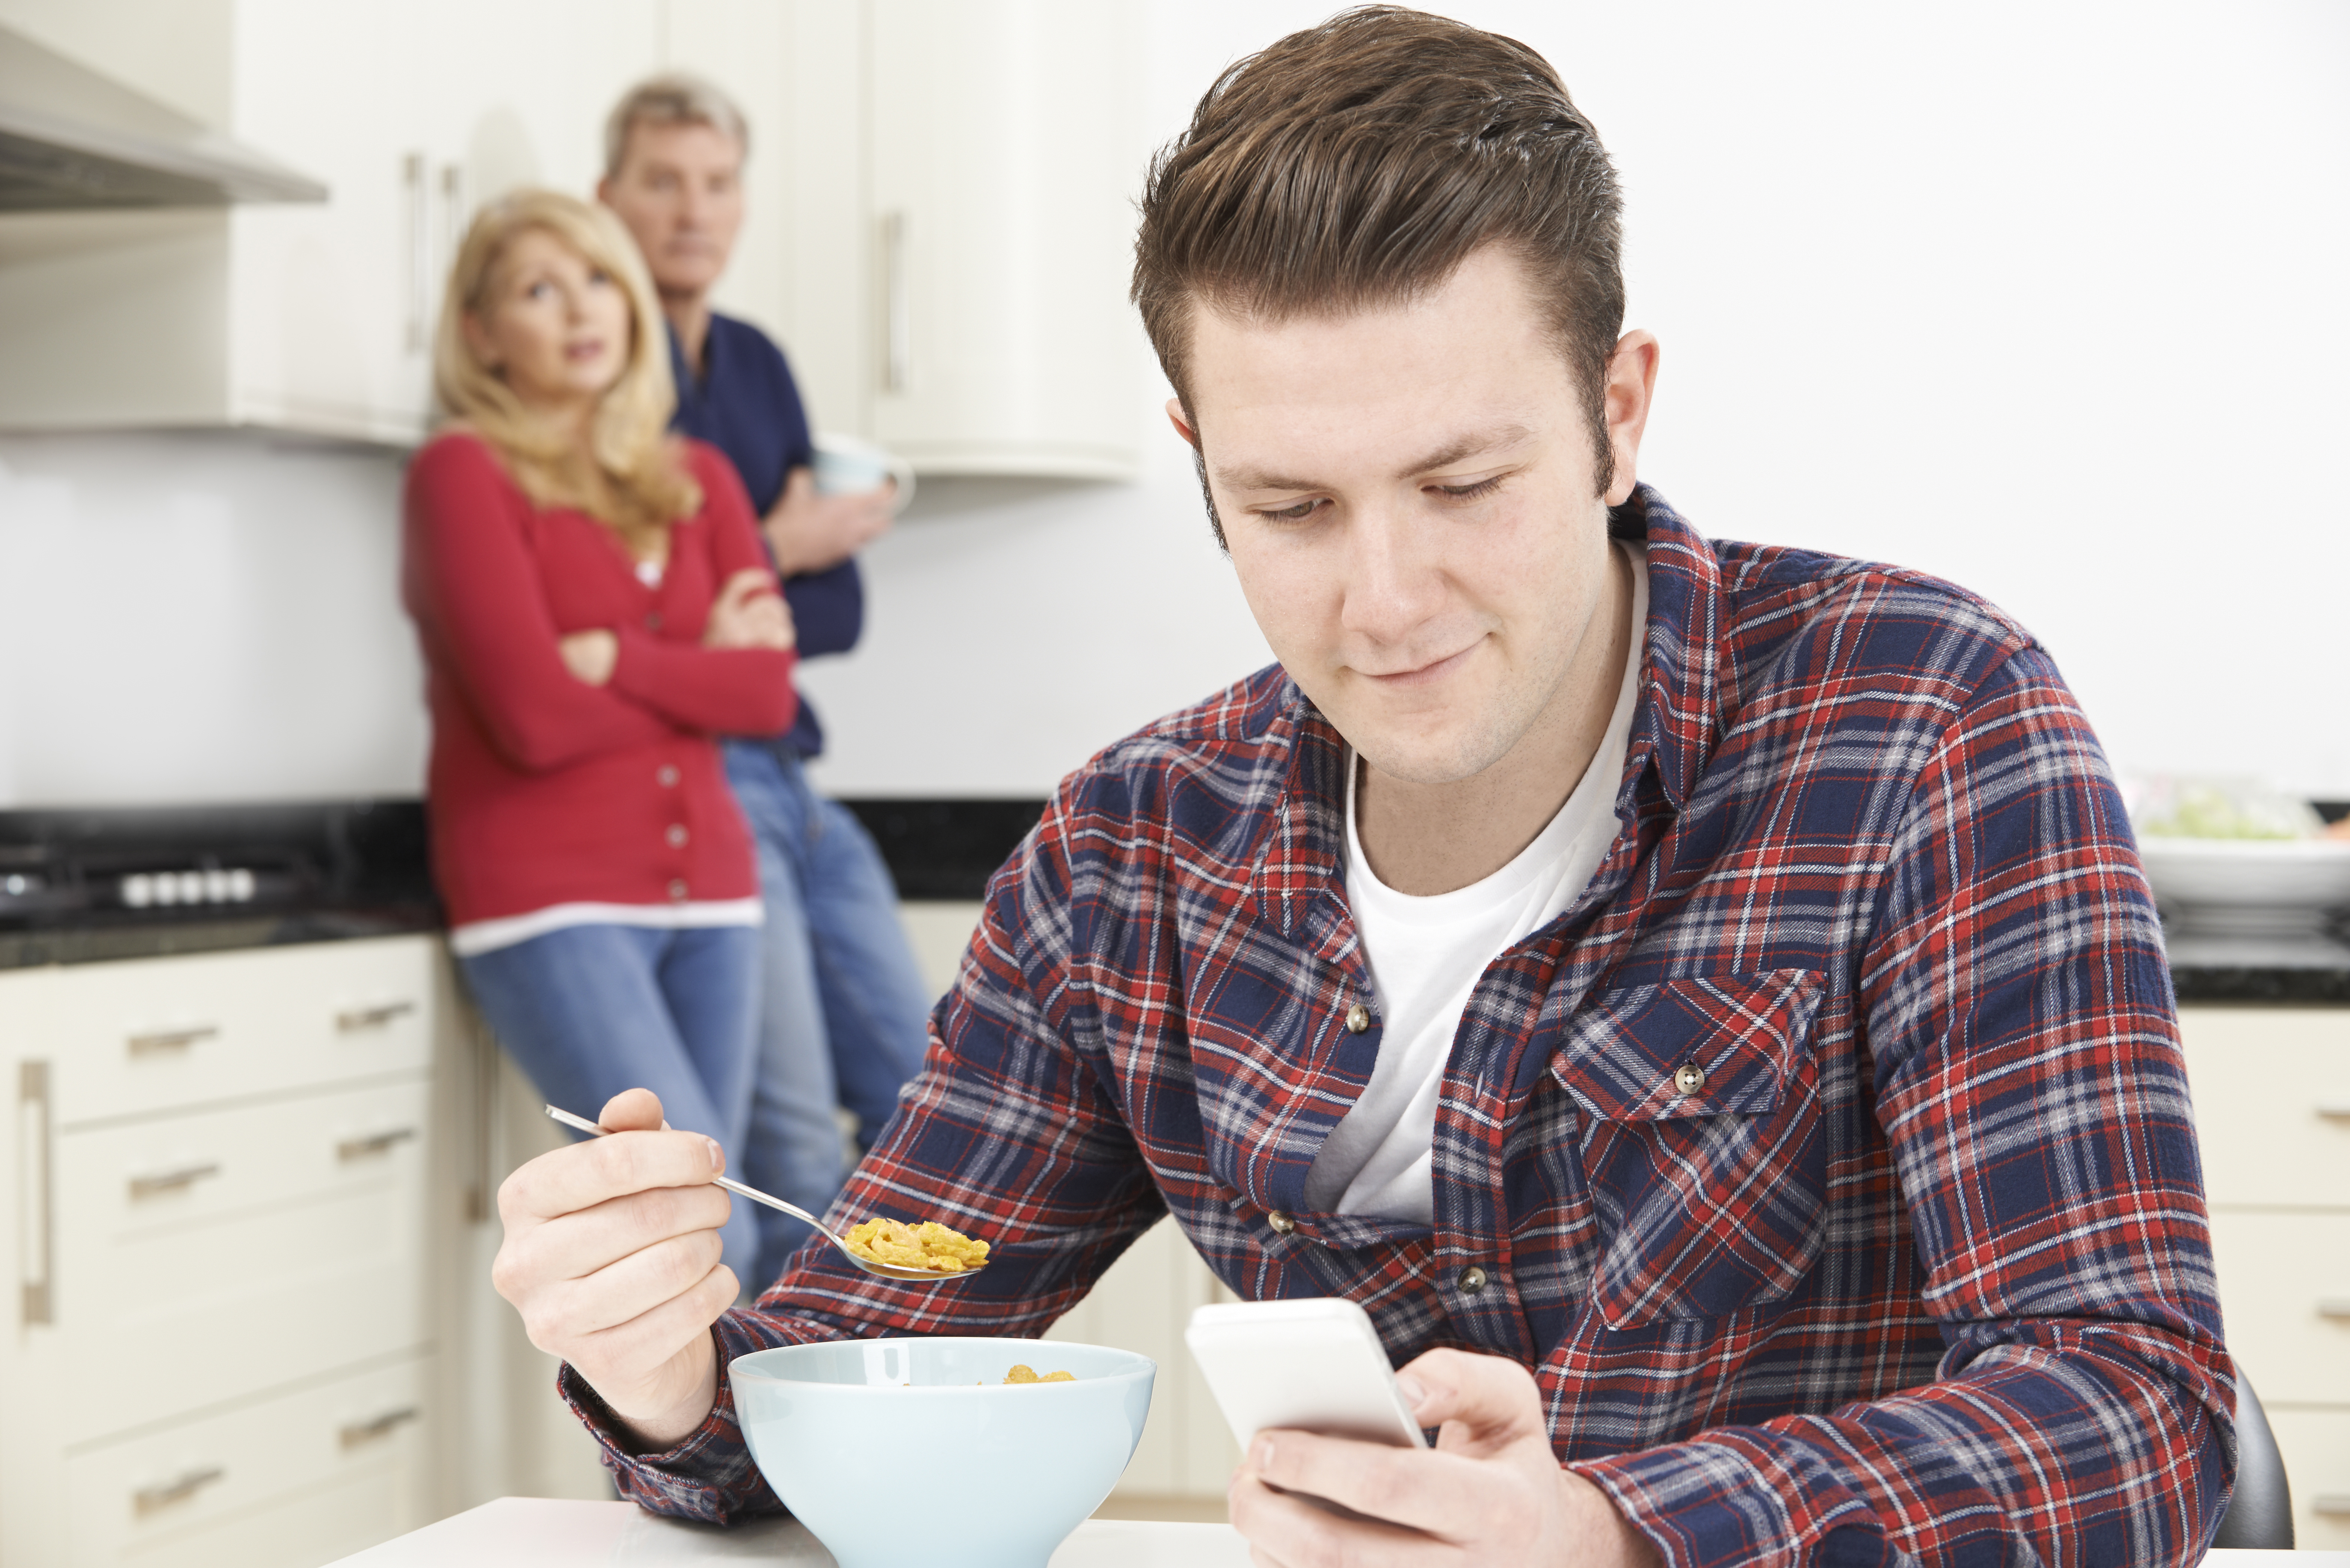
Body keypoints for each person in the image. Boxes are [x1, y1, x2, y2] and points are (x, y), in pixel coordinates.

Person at [487, 12, 2235, 1565]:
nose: (1384, 603)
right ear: (1200, 462)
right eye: (1293, 509)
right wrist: (660, 1375)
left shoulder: (1923, 723)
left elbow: (2135, 1409)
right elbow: (839, 1365)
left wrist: (1609, 1533)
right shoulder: (1132, 860)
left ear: (1618, 413)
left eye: (1465, 481)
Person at [403, 188, 798, 1287]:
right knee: (690, 1223)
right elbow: (532, 718)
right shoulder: (464, 475)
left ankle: (717, 1468)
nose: (580, 310)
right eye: (538, 289)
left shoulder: (698, 480)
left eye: (596, 281)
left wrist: (613, 657)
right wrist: (698, 666)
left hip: (713, 892)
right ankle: (691, 1469)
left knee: (704, 1226)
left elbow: (768, 696)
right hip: (552, 901)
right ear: (483, 333)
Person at [595, 75, 933, 1286]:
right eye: (663, 180)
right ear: (607, 198)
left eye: (718, 182)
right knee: (790, 1146)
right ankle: (782, 1458)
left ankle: (889, 1401)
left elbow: (833, 616)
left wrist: (745, 575)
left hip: (791, 768)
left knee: (925, 1091)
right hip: (695, 785)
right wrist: (776, 546)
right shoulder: (595, 375)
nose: (694, 209)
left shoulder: (756, 366)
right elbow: (605, 618)